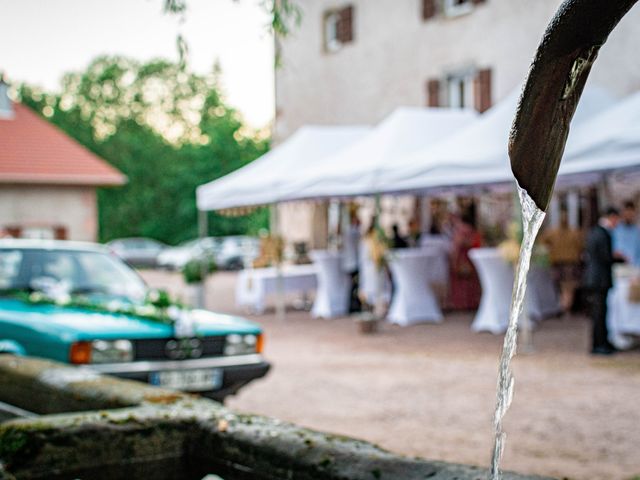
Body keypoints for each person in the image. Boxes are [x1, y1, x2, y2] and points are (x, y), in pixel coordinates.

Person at [583, 207, 622, 355]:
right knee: (599, 314)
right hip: (599, 279)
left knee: (599, 313)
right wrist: (618, 258)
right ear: (612, 217)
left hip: (594, 278)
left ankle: (602, 342)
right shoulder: (603, 233)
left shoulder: (594, 231)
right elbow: (605, 257)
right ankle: (599, 345)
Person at [541, 209, 584, 313]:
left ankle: (565, 306)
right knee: (566, 287)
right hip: (565, 263)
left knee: (566, 287)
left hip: (565, 263)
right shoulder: (570, 233)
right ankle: (565, 305)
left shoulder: (558, 233)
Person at [448, 212, 482, 310]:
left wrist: (453, 259)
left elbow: (457, 245)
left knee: (460, 282)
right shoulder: (472, 230)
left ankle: (461, 303)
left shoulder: (460, 230)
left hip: (461, 258)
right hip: (470, 257)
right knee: (470, 282)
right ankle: (471, 302)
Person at [342, 207, 362, 313]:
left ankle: (353, 305)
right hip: (353, 263)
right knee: (354, 285)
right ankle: (353, 306)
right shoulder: (353, 232)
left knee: (352, 285)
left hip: (349, 262)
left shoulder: (347, 231)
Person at [612, 200, 640, 266]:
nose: (629, 215)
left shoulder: (636, 231)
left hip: (634, 268)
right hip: (618, 267)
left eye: (631, 213)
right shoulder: (615, 229)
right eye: (627, 212)